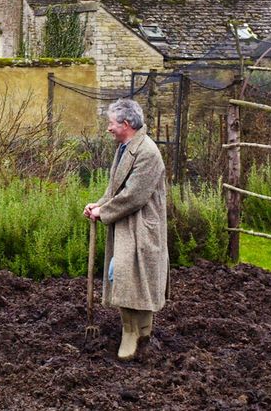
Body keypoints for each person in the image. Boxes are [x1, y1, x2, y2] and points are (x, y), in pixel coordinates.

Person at [84, 98, 167, 360]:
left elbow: (134, 196)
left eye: (111, 123)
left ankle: (136, 334)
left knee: (131, 277)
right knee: (125, 276)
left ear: (127, 123)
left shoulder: (148, 152)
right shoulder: (125, 147)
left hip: (142, 226)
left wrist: (104, 212)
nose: (108, 128)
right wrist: (98, 204)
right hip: (126, 224)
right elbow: (116, 188)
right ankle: (137, 331)